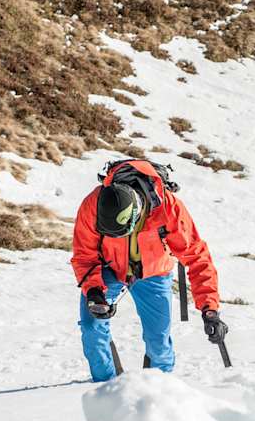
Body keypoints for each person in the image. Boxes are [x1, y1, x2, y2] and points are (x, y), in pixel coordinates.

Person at [71, 159, 228, 382]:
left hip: (154, 273)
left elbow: (196, 256)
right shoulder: (92, 205)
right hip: (109, 269)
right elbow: (84, 254)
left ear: (137, 212)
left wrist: (209, 309)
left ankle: (159, 388)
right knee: (91, 327)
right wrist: (94, 291)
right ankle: (104, 386)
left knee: (158, 341)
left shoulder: (168, 206)